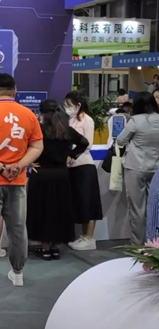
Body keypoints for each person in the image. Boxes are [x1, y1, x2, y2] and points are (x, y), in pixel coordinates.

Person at [0, 73, 43, 293]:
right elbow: (37, 146)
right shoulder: (28, 114)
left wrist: (0, 167)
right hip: (17, 180)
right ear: (14, 91)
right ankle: (18, 273)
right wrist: (19, 165)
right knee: (17, 227)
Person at [27, 100, 89, 260]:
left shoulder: (38, 130)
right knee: (59, 211)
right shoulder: (66, 130)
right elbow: (84, 143)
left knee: (43, 211)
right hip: (62, 175)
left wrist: (28, 161)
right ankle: (55, 248)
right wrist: (71, 156)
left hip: (41, 174)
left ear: (41, 114)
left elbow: (24, 147)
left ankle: (45, 248)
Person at [117, 91, 159, 244]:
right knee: (154, 208)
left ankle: (137, 244)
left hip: (135, 167)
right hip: (156, 168)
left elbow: (120, 140)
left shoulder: (135, 120)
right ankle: (153, 242)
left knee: (137, 208)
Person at [64, 91, 104, 251]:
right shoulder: (70, 119)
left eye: (69, 105)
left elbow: (88, 144)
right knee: (79, 202)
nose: (67, 108)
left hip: (84, 166)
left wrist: (72, 154)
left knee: (88, 202)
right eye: (65, 105)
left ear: (78, 105)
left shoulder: (87, 120)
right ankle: (82, 236)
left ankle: (89, 237)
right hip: (71, 167)